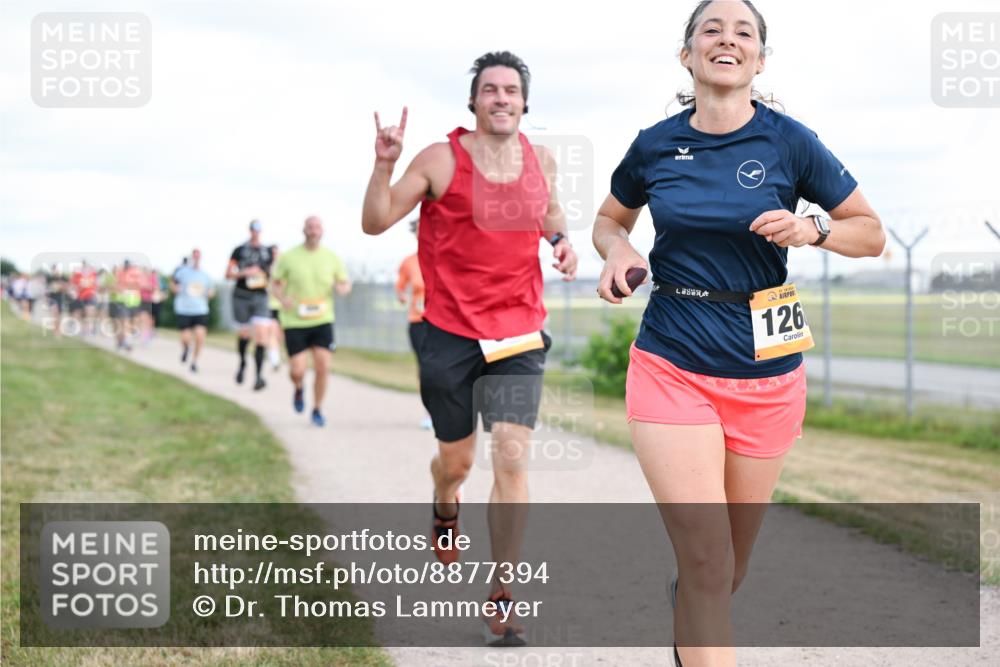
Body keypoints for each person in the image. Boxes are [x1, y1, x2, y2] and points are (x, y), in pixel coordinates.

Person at [592, 2, 885, 665]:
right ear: (688, 54)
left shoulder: (790, 141)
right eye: (711, 31)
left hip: (767, 369)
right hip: (672, 357)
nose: (727, 39)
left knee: (727, 569)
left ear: (759, 58)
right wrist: (617, 252)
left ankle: (691, 624)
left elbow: (872, 232)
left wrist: (814, 228)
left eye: (743, 32)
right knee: (705, 555)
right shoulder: (655, 144)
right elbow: (610, 220)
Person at [361, 51, 578, 646]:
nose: (501, 98)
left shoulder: (543, 159)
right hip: (450, 333)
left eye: (511, 90)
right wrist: (384, 165)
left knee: (510, 455)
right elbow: (376, 222)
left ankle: (503, 592)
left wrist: (560, 240)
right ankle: (444, 500)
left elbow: (549, 211)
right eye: (490, 90)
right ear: (474, 101)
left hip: (518, 332)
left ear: (525, 101)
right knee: (456, 462)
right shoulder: (438, 158)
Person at [271, 216, 351, 427]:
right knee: (297, 370)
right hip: (295, 321)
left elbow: (344, 282)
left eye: (317, 227)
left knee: (323, 366)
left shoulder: (332, 257)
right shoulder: (289, 257)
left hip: (323, 320)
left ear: (322, 231)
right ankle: (299, 388)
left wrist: (342, 288)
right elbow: (276, 283)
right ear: (304, 230)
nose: (314, 231)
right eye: (310, 227)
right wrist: (282, 299)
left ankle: (317, 409)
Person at [226, 219, 274, 390]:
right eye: (253, 229)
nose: (256, 232)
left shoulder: (267, 251)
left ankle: (259, 376)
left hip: (260, 296)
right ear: (250, 230)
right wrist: (245, 272)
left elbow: (274, 273)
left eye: (258, 230)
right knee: (245, 334)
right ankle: (242, 363)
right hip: (241, 296)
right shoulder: (239, 251)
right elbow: (229, 274)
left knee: (261, 336)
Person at [395, 218, 433, 430]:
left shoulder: (446, 255)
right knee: (426, 368)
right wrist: (401, 296)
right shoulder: (409, 262)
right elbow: (400, 287)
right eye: (420, 229)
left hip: (444, 321)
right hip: (419, 322)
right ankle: (430, 412)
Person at [170, 248, 215, 373]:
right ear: (191, 257)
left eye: (198, 256)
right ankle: (186, 348)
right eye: (194, 256)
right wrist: (175, 289)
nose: (196, 258)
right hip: (184, 308)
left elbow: (211, 291)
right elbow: (173, 283)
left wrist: (209, 293)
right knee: (185, 337)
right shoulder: (182, 272)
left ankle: (194, 362)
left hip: (200, 309)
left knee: (200, 336)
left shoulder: (205, 275)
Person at [266, 244, 284, 371]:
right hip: (269, 305)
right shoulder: (265, 269)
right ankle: (275, 359)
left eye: (276, 253)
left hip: (283, 306)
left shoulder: (285, 269)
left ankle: (275, 354)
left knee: (280, 335)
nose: (275, 255)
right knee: (272, 332)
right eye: (272, 253)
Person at [70, 261, 99, 335]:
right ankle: (83, 328)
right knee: (80, 314)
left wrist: (96, 290)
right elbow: (73, 285)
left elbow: (97, 284)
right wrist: (73, 291)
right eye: (83, 266)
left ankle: (88, 329)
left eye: (86, 266)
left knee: (89, 311)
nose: (85, 268)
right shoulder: (77, 275)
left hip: (90, 296)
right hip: (80, 297)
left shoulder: (93, 274)